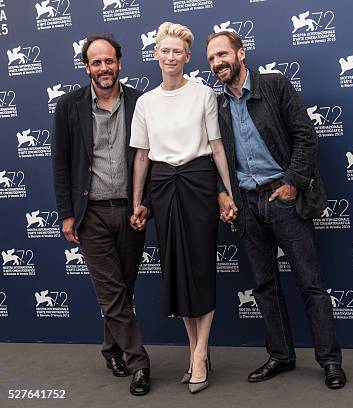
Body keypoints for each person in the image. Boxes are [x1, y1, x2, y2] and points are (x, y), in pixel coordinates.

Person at [206, 31, 347, 389]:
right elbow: (215, 156)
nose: (217, 63)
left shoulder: (274, 86)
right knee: (265, 286)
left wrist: (292, 183)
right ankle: (281, 356)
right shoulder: (216, 104)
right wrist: (224, 192)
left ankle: (330, 360)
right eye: (210, 59)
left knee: (310, 284)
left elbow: (305, 136)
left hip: (283, 199)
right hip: (247, 205)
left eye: (222, 54)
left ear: (241, 53)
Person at [130, 22, 234, 394]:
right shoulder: (145, 102)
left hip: (198, 183)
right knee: (177, 272)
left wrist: (227, 190)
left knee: (201, 269)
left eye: (178, 52)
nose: (171, 57)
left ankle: (201, 352)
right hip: (162, 187)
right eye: (165, 50)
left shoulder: (203, 94)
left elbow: (217, 146)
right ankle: (195, 352)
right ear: (155, 54)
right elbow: (142, 157)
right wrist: (138, 201)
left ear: (188, 57)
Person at [51, 35, 151, 396]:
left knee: (123, 288)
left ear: (120, 62)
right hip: (89, 213)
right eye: (96, 63)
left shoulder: (142, 101)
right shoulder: (68, 106)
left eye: (109, 61)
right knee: (111, 292)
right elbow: (61, 164)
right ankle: (139, 362)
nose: (103, 68)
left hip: (131, 211)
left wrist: (146, 204)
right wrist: (66, 214)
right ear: (87, 67)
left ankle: (112, 349)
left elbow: (151, 159)